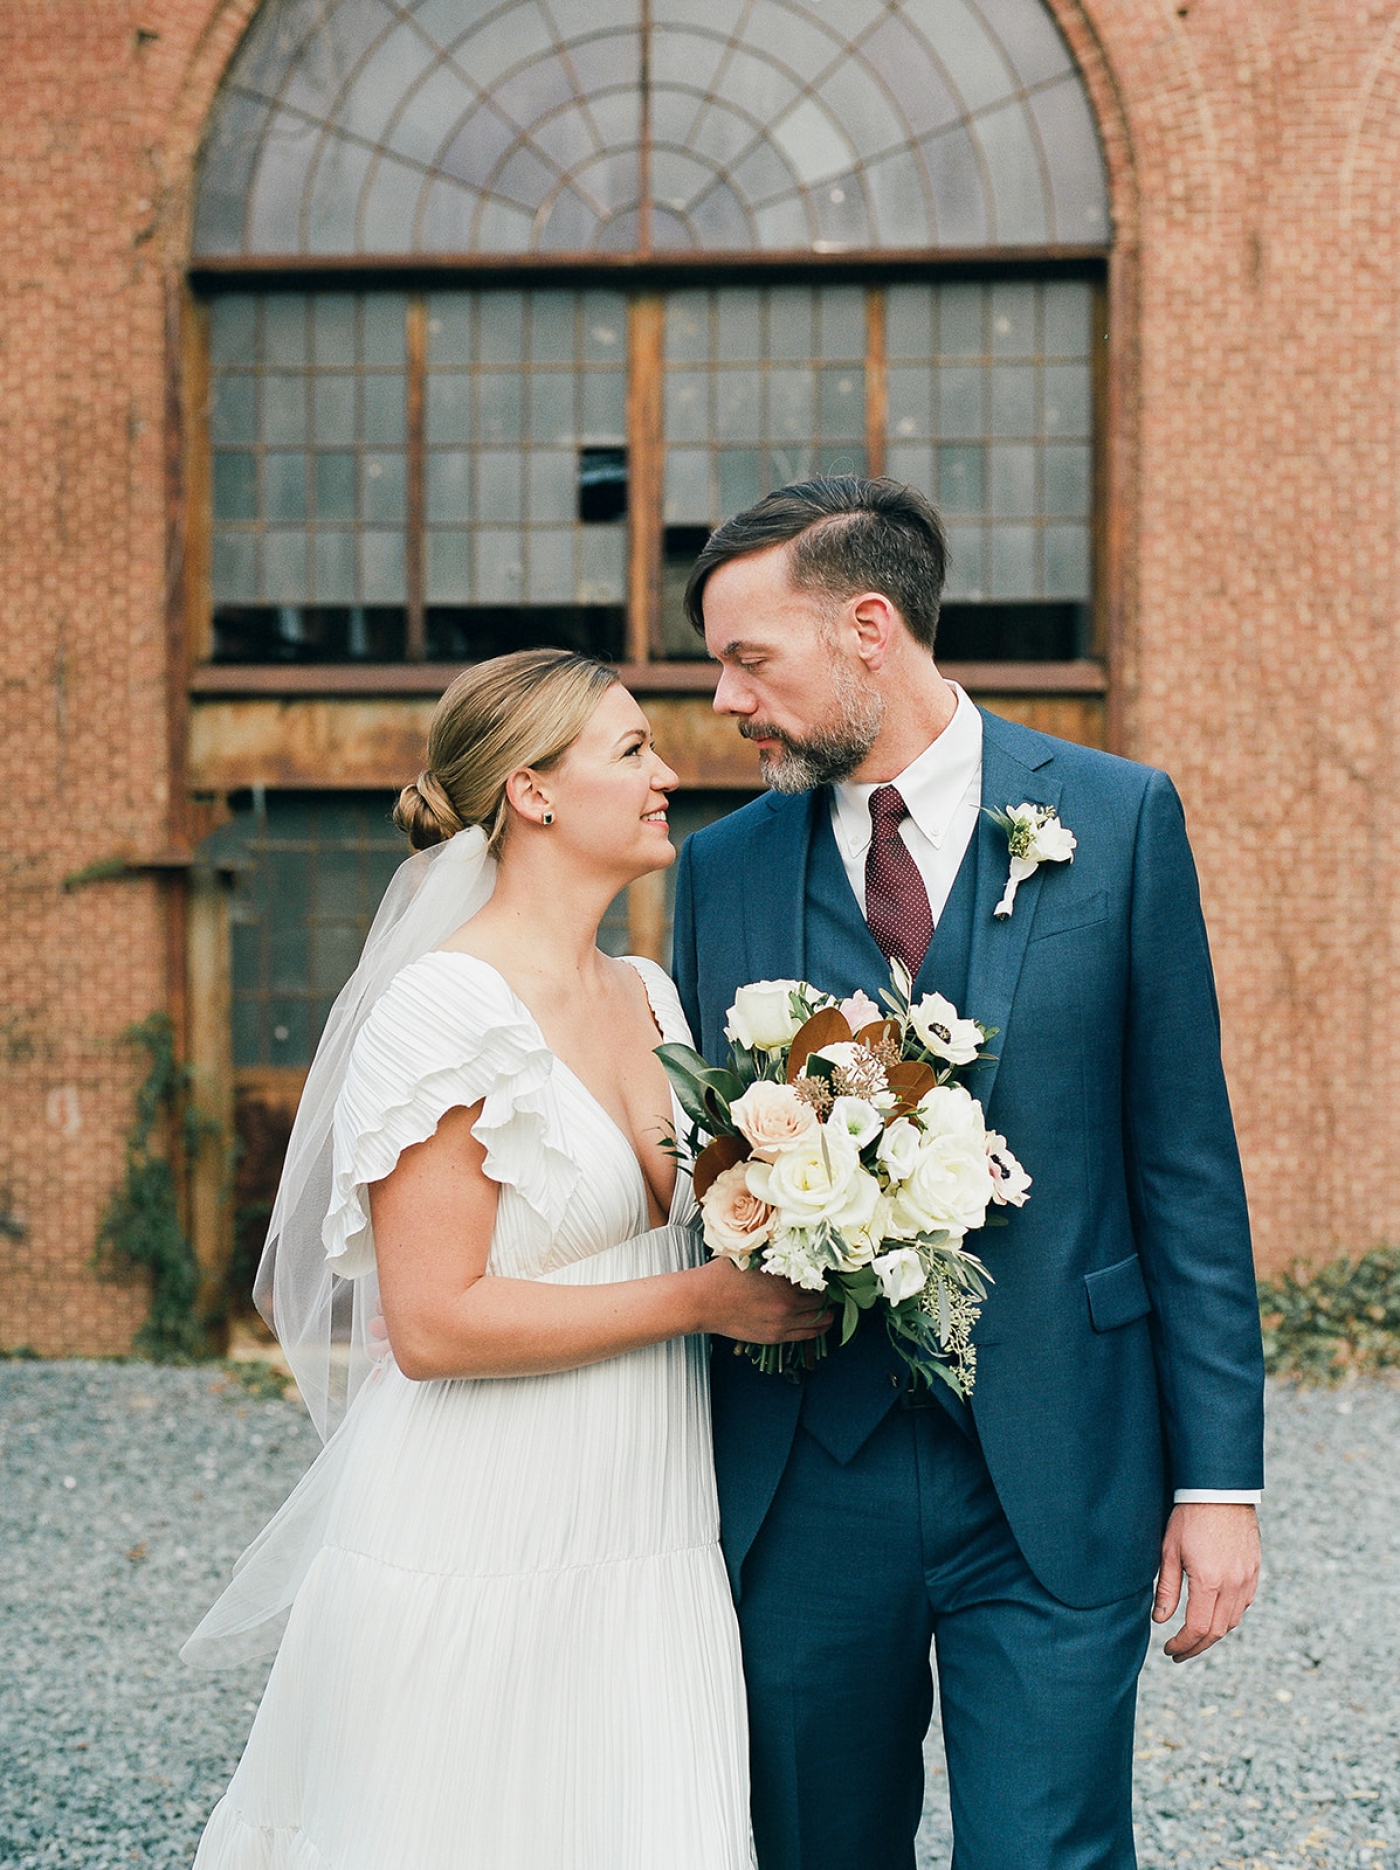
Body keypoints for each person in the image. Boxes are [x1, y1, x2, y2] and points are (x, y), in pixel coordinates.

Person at [671, 478, 1266, 1870]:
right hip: (808, 1472)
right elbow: (712, 1160)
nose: (722, 698)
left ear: (869, 626)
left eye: (749, 657)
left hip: (1066, 1460)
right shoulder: (724, 867)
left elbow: (1185, 1159)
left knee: (1049, 1854)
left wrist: (1221, 1479)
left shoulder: (1118, 820)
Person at [183, 648, 828, 1869]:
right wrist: (703, 1295)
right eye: (631, 750)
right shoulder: (441, 1010)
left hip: (647, 1509)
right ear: (532, 791)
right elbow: (432, 1325)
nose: (667, 773)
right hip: (484, 1517)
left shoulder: (651, 995)